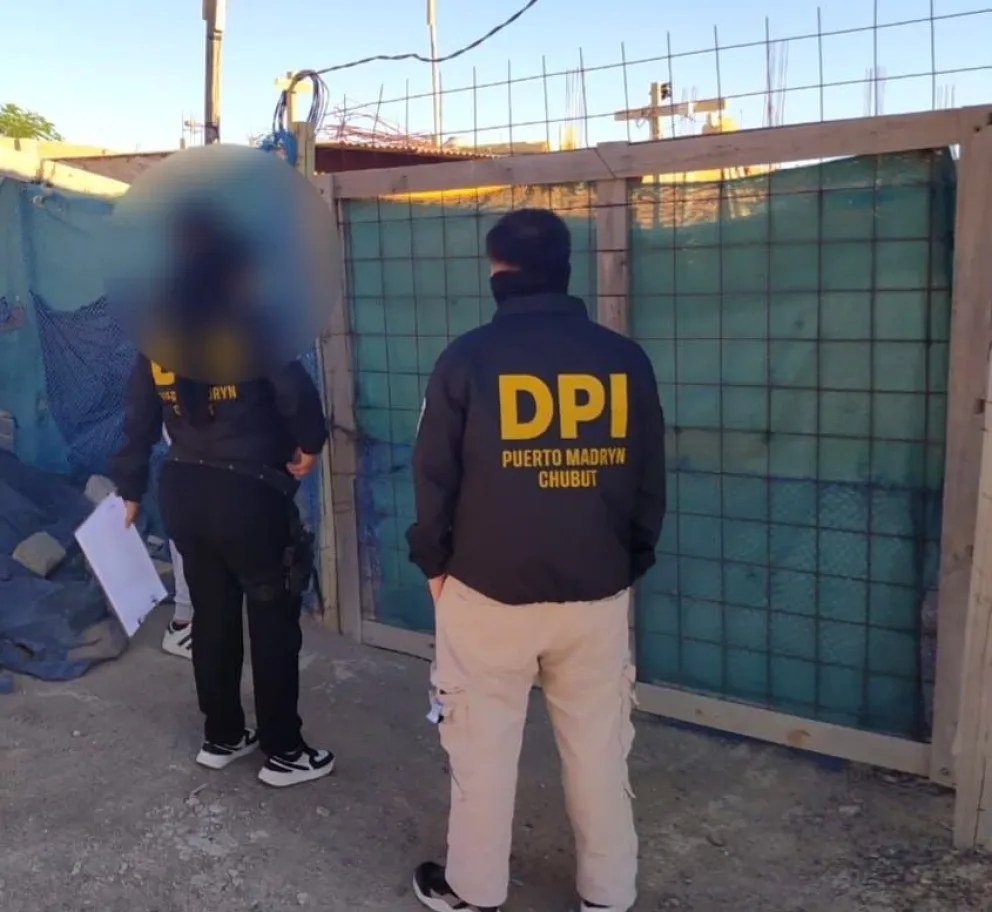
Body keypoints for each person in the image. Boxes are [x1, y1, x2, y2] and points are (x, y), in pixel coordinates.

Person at [406, 208, 667, 912]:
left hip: (486, 592)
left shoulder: (466, 359)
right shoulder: (625, 361)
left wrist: (434, 565)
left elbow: (433, 478)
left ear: (498, 272)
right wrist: (624, 565)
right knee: (599, 748)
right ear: (565, 268)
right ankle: (608, 894)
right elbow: (649, 482)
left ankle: (474, 890)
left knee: (481, 746)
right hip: (597, 593)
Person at [110, 207, 334, 788]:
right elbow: (297, 397)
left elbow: (137, 420)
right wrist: (309, 445)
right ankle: (284, 750)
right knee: (273, 619)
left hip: (184, 491)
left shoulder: (159, 335)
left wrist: (129, 489)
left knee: (211, 615)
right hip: (248, 495)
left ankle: (223, 735)